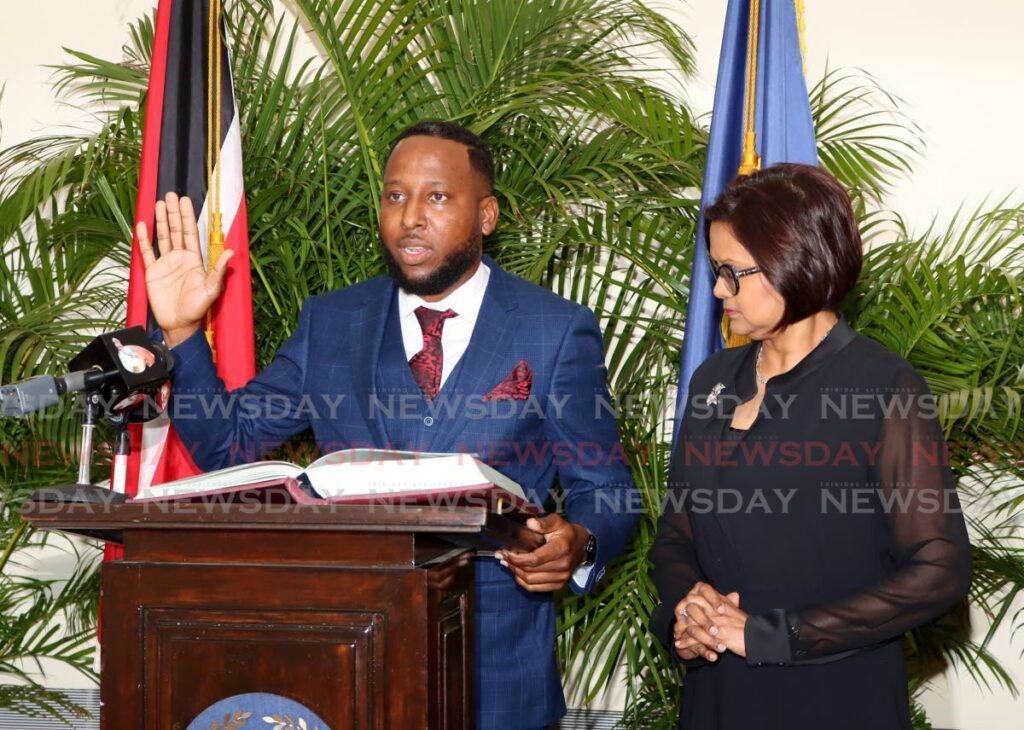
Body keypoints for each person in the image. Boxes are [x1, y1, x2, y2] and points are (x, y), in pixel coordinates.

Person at [136, 120, 638, 729]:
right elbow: (228, 442)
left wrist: (577, 542)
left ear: (486, 216)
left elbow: (605, 489)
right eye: (395, 195)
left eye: (437, 197)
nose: (410, 217)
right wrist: (185, 333)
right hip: (346, 662)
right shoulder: (331, 322)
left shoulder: (553, 330)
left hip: (497, 679)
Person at [649, 163, 972, 730]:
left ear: (794, 259)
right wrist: (687, 610)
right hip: (718, 694)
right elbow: (677, 535)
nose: (718, 289)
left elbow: (940, 568)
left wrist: (773, 634)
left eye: (733, 272)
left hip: (837, 697)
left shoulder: (882, 386)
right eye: (715, 270)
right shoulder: (712, 380)